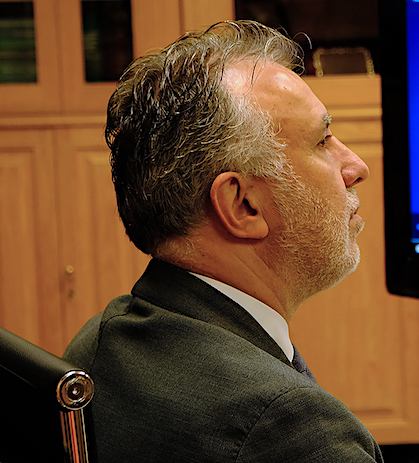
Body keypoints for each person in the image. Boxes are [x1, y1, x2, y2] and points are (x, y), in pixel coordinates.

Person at [61, 21, 382, 463]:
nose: (356, 166)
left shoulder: (96, 345)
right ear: (242, 204)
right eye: (323, 141)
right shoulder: (293, 432)